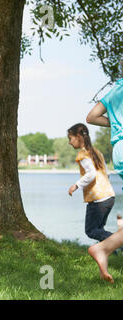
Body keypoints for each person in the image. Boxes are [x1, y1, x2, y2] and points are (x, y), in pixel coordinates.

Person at [86, 63, 123, 282]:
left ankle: (103, 249)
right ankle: (104, 248)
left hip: (119, 150)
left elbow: (91, 117)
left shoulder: (116, 89)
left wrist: (118, 125)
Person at [67, 123, 115, 242]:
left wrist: (76, 185)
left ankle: (119, 240)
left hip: (98, 200)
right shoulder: (96, 152)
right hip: (109, 196)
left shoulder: (83, 154)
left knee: (91, 230)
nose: (69, 142)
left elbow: (91, 174)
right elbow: (107, 173)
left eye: (70, 138)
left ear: (78, 136)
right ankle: (111, 253)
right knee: (100, 229)